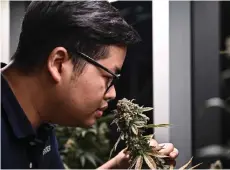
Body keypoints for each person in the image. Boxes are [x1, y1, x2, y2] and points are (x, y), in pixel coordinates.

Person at [1, 1, 178, 169]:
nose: (112, 94)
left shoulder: (41, 123)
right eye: (108, 77)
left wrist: (118, 167)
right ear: (58, 63)